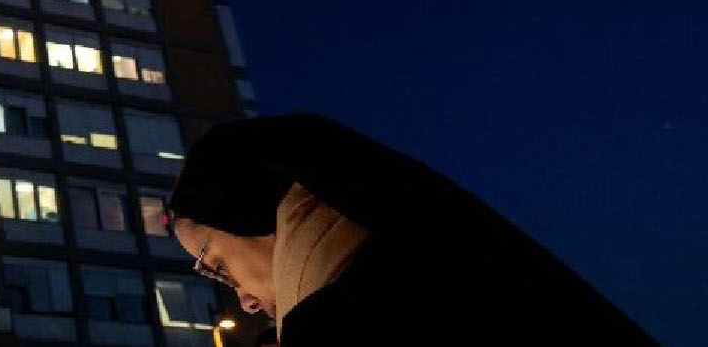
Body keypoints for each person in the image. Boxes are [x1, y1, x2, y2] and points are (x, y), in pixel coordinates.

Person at [169, 114, 657, 345]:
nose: (246, 301)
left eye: (218, 266)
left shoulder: (344, 317)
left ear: (251, 217)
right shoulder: (439, 248)